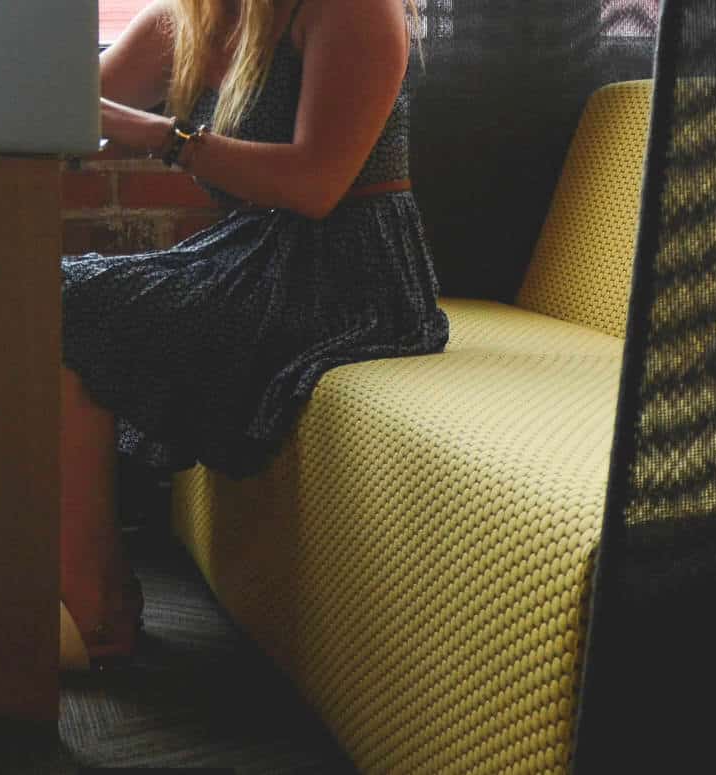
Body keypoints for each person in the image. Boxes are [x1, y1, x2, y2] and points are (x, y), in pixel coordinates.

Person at [58, 0, 447, 666]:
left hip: (352, 274)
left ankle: (92, 606)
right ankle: (93, 590)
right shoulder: (187, 19)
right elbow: (69, 107)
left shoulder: (354, 11)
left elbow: (315, 184)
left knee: (71, 304)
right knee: (56, 298)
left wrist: (161, 136)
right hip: (256, 250)